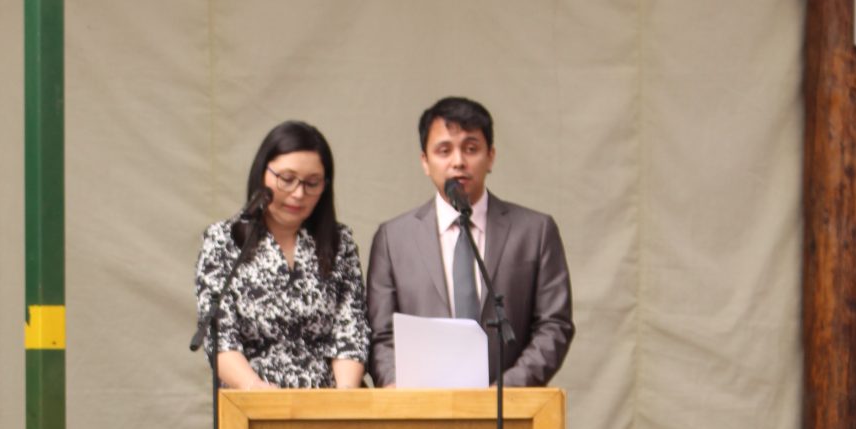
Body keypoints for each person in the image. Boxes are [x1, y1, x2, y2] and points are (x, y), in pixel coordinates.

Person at [365, 96, 574, 388]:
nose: (458, 161)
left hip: (508, 410)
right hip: (420, 411)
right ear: (425, 161)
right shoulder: (393, 238)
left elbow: (554, 324)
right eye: (444, 150)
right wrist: (399, 387)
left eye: (471, 149)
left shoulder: (535, 231)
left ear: (491, 156)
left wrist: (505, 390)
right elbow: (381, 334)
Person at [194, 121, 369, 390]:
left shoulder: (339, 243)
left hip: (327, 403)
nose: (299, 194)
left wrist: (343, 400)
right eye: (287, 179)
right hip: (251, 402)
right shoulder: (224, 240)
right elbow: (221, 337)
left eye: (312, 183)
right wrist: (258, 391)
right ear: (263, 173)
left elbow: (350, 332)